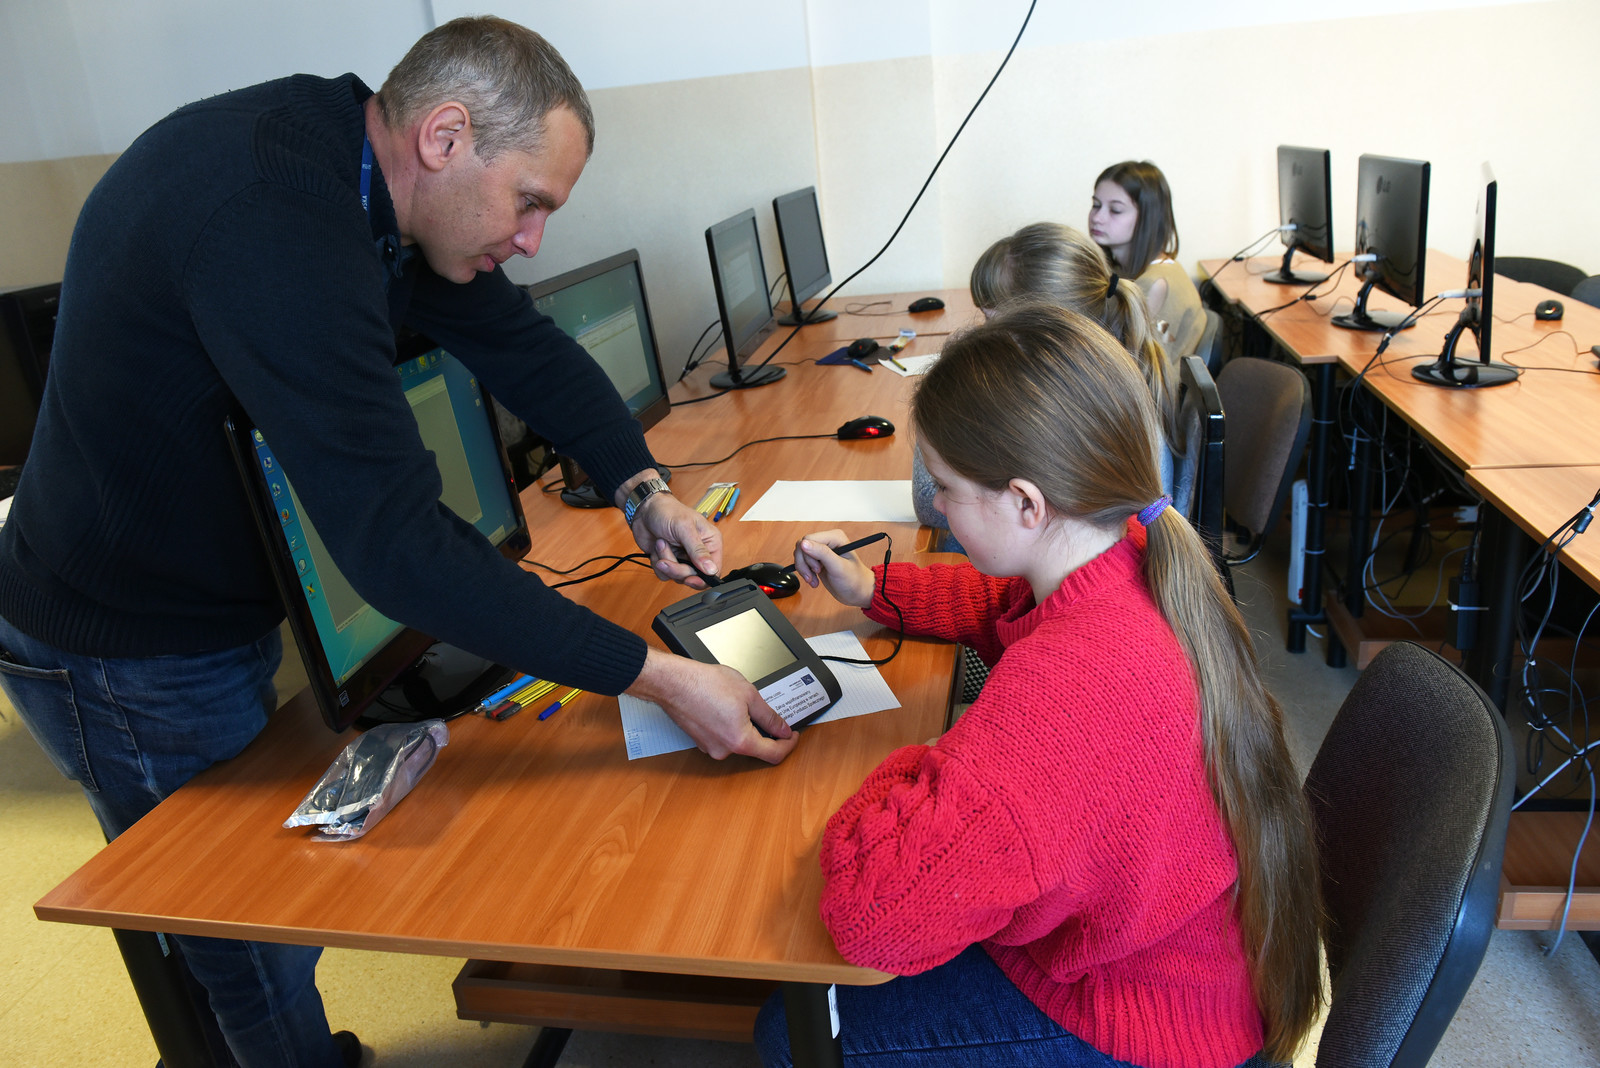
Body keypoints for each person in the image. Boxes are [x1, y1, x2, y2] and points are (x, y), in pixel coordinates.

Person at [0, 16, 792, 1068]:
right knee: (240, 932)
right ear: (445, 136)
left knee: (254, 908)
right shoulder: (277, 217)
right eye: (530, 202)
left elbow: (523, 347)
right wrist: (656, 676)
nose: (532, 240)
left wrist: (643, 490)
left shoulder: (373, 180)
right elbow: (398, 546)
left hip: (207, 596)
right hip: (119, 633)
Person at [758, 303, 1323, 1068]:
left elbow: (872, 918)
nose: (938, 506)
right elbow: (1002, 604)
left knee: (788, 1030)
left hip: (1137, 1020)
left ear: (1027, 502)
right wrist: (875, 590)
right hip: (1185, 962)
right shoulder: (1129, 549)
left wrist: (930, 761)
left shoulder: (1066, 694)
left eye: (946, 487)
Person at [911, 222, 1186, 547]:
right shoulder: (1098, 382)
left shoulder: (1064, 413)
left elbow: (929, 500)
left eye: (988, 321)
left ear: (1042, 330)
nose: (978, 337)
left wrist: (940, 406)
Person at [1089, 160, 1206, 359]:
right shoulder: (1127, 270)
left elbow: (1133, 364)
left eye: (1115, 210)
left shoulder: (1154, 285)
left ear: (1147, 218)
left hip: (1147, 378)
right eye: (1096, 205)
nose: (1097, 217)